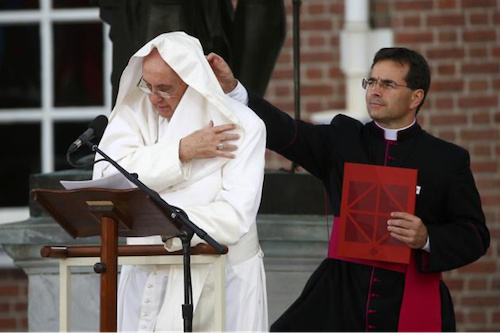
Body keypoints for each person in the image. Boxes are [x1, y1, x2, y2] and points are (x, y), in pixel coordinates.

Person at [207, 47, 490, 331]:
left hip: (407, 295)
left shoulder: (446, 159)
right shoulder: (344, 139)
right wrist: (233, 90)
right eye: (372, 81)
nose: (375, 91)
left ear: (417, 97)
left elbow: (475, 235)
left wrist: (427, 237)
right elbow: (286, 132)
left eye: (388, 84)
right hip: (341, 293)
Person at [92, 32, 268, 331]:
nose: (154, 98)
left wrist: (170, 226)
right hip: (145, 270)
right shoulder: (135, 113)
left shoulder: (243, 125)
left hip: (219, 275)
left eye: (165, 88)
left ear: (193, 83)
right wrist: (180, 151)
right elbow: (107, 179)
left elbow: (235, 214)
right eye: (147, 85)